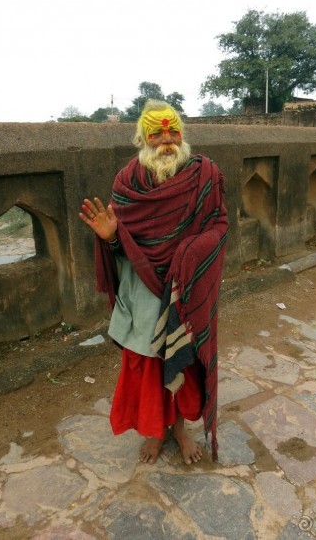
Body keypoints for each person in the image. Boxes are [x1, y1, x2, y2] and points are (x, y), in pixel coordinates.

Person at [79, 100, 228, 464]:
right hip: (143, 290)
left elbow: (219, 224)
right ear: (143, 138)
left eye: (173, 132)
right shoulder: (127, 182)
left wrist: (190, 252)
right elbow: (121, 246)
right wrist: (111, 236)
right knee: (148, 362)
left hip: (185, 288)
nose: (167, 141)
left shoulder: (204, 174)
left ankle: (179, 428)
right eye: (157, 134)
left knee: (182, 358)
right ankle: (155, 430)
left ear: (182, 135)